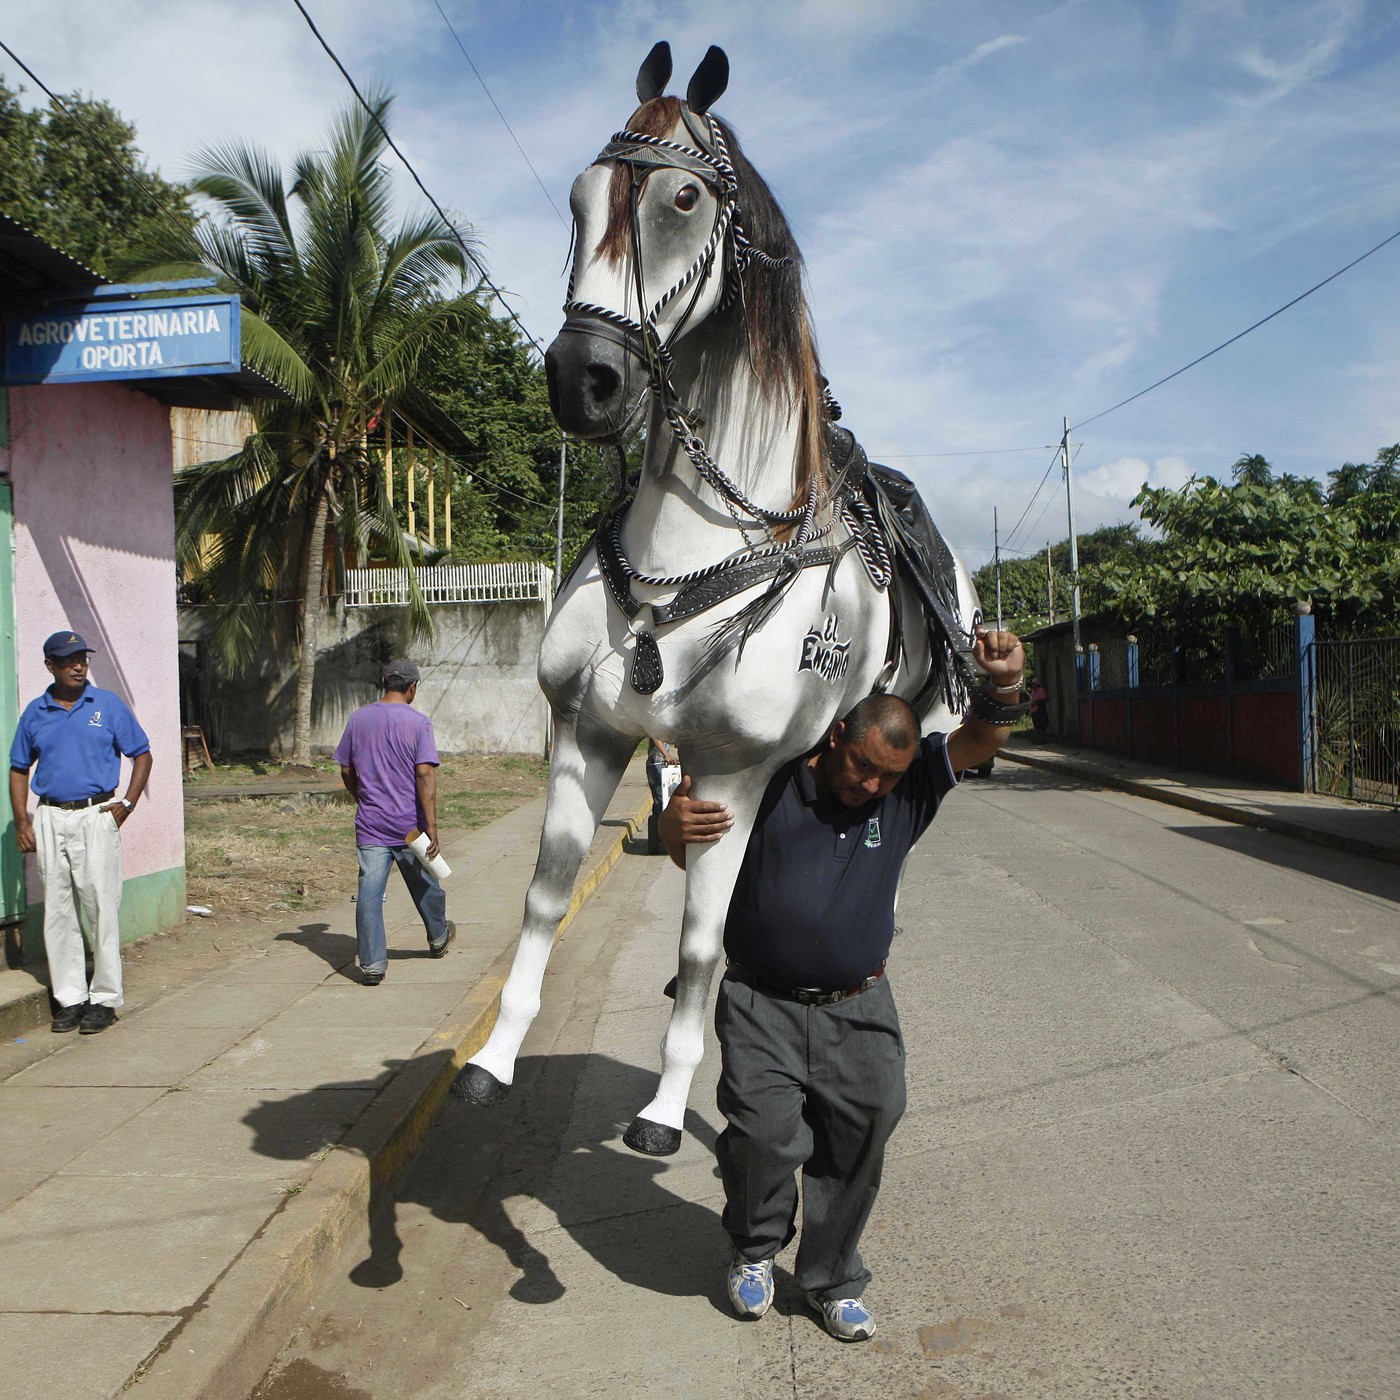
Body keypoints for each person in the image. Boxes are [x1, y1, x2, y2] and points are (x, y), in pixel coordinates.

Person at [661, 628, 1027, 1342]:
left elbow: (982, 738)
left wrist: (1005, 682)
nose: (870, 787)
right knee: (764, 1138)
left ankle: (830, 1277)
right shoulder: (770, 778)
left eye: (887, 777)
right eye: (862, 767)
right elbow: (688, 851)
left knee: (864, 1132)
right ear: (835, 738)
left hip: (860, 1004)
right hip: (761, 1002)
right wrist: (673, 827)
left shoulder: (907, 790)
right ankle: (755, 1248)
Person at [9, 630, 152, 1035]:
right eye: (68, 660)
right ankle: (70, 999)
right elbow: (19, 768)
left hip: (96, 815)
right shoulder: (35, 712)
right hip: (51, 816)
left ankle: (104, 999)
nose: (77, 666)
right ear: (49, 665)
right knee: (57, 910)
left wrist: (127, 803)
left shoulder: (106, 705)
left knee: (101, 907)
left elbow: (142, 754)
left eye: (82, 659)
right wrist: (22, 820)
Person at [334, 659, 454, 985]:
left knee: (369, 896)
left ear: (383, 680)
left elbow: (346, 769)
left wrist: (361, 798)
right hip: (410, 827)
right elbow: (425, 773)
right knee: (425, 883)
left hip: (371, 825)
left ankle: (372, 965)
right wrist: (432, 827)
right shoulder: (419, 723)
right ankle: (438, 936)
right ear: (412, 687)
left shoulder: (358, 719)